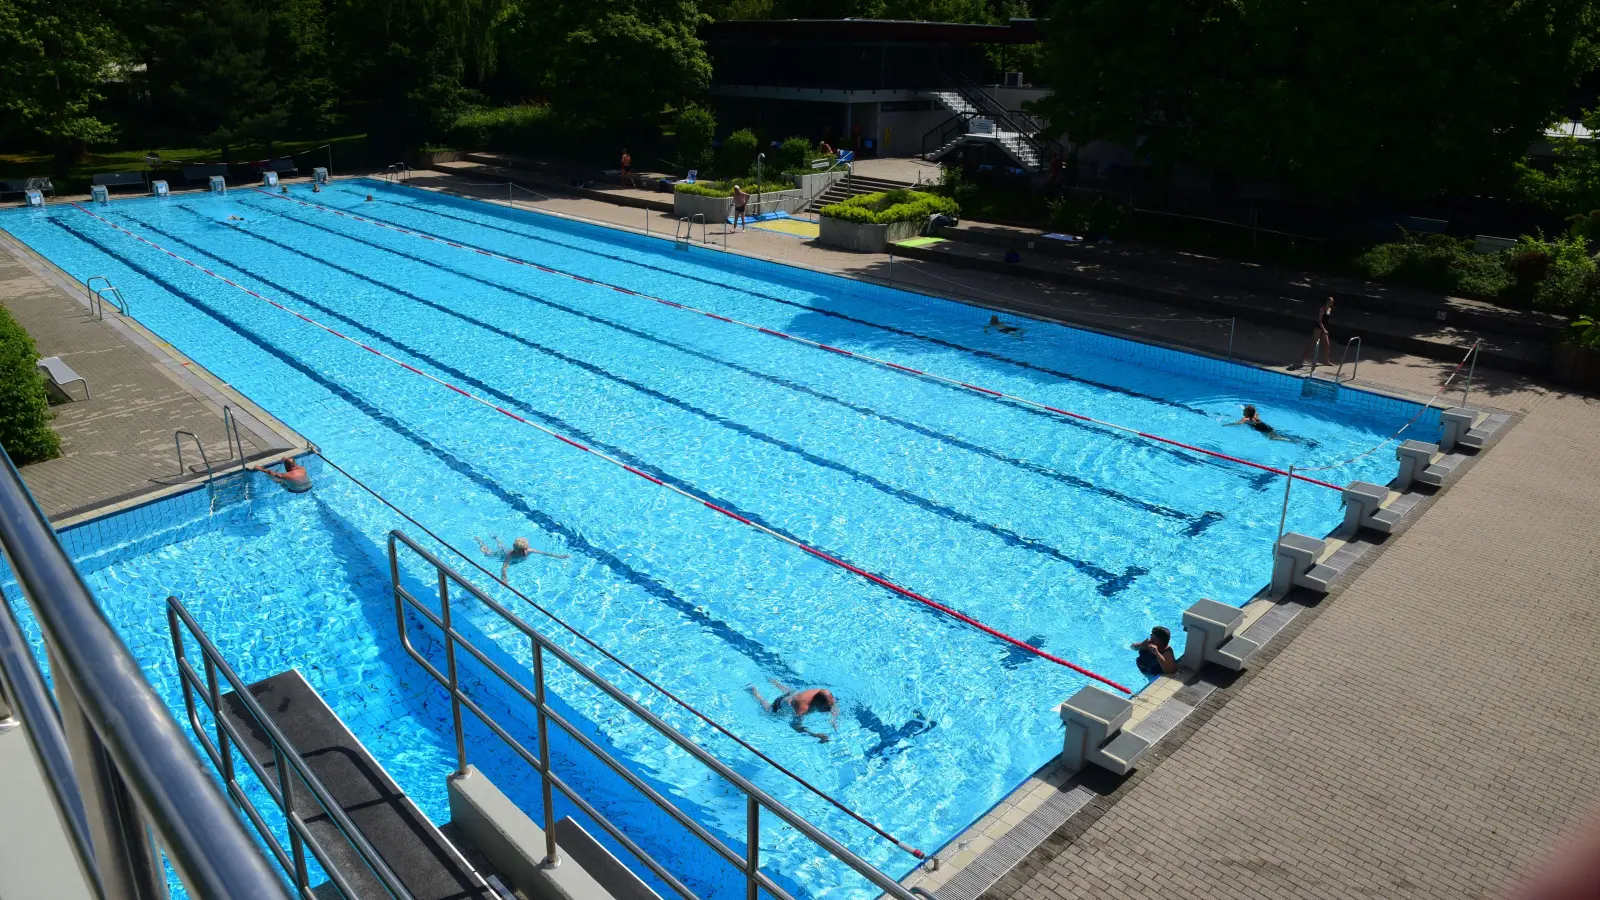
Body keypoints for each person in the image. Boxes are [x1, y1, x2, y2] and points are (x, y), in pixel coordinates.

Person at [749, 679, 839, 743]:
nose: (829, 710)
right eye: (827, 708)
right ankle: (754, 692)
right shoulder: (802, 709)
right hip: (782, 702)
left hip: (795, 694)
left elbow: (834, 706)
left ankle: (773, 681)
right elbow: (795, 726)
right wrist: (815, 735)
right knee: (769, 711)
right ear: (817, 703)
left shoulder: (825, 694)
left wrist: (833, 720)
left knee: (790, 692)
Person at [1295, 296, 1336, 368]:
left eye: (1332, 302)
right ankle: (1303, 357)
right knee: (1313, 344)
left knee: (1327, 344)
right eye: (1330, 302)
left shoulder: (1330, 309)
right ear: (1327, 302)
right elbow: (1320, 322)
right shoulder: (1322, 309)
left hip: (1324, 329)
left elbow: (1327, 320)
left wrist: (1327, 326)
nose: (1331, 304)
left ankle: (1326, 361)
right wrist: (1324, 330)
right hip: (1319, 329)